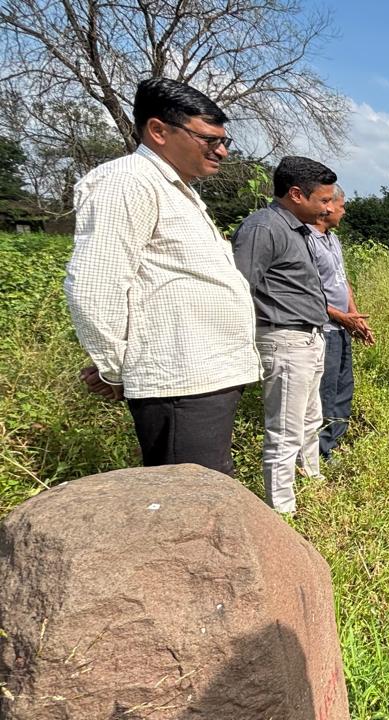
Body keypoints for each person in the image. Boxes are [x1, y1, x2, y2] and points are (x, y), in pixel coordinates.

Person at [64, 77, 257, 477]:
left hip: (203, 376)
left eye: (224, 141)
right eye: (209, 139)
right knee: (187, 497)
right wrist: (115, 370)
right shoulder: (128, 181)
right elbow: (96, 285)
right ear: (158, 131)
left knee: (207, 488)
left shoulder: (176, 189)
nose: (221, 151)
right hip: (179, 381)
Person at [232, 156, 337, 514]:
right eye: (323, 200)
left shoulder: (297, 229)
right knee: (285, 431)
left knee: (309, 420)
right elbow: (239, 288)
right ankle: (282, 511)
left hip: (308, 337)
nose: (328, 208)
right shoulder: (263, 228)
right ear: (295, 194)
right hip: (284, 338)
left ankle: (312, 481)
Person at [306, 185, 374, 459]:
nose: (344, 212)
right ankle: (321, 451)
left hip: (343, 327)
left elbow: (342, 282)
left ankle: (336, 441)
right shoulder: (305, 239)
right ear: (327, 206)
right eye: (342, 206)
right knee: (326, 390)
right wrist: (341, 317)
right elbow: (307, 292)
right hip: (324, 328)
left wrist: (353, 317)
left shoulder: (333, 240)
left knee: (344, 387)